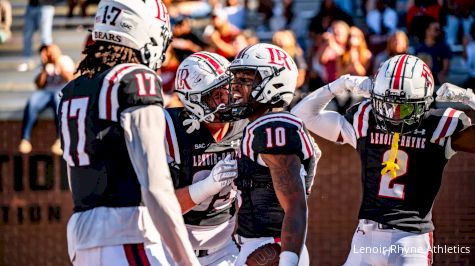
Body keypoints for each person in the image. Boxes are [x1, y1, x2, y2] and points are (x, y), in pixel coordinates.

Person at [292, 54, 475, 265]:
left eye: (404, 107)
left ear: (424, 102)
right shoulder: (366, 118)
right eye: (387, 104)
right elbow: (301, 116)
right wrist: (340, 84)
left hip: (411, 240)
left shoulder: (439, 125)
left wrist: (470, 98)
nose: (394, 114)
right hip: (365, 236)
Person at [58, 0, 199, 265]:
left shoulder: (74, 88)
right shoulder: (136, 78)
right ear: (139, 29)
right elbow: (156, 186)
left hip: (82, 238)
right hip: (127, 234)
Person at [224, 43, 320, 265]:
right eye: (236, 80)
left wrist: (287, 259)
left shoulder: (272, 126)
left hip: (271, 248)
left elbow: (295, 203)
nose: (236, 88)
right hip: (262, 244)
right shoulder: (262, 125)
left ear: (272, 83)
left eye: (245, 80)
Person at [165, 51, 246, 265]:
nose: (226, 100)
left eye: (227, 90)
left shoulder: (246, 125)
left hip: (224, 250)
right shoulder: (170, 128)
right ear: (193, 100)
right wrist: (207, 186)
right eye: (215, 95)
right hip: (172, 252)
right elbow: (159, 206)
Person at [18, 44, 75, 155]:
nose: (50, 55)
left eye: (52, 52)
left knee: (57, 100)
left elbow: (70, 79)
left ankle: (60, 139)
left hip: (61, 90)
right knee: (32, 102)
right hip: (45, 92)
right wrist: (45, 66)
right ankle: (25, 139)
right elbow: (39, 85)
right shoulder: (43, 64)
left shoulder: (65, 60)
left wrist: (57, 63)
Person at [17, 0, 55, 72]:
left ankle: (48, 62)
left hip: (46, 6)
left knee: (45, 37)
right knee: (27, 34)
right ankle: (26, 60)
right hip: (32, 5)